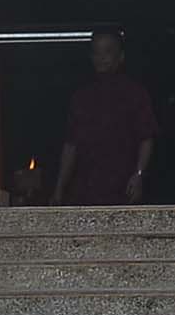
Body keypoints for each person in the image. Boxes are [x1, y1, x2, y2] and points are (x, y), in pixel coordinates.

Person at [52, 27, 156, 206]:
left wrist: (139, 175)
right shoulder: (81, 98)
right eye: (96, 52)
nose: (101, 58)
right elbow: (71, 146)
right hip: (85, 189)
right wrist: (59, 189)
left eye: (108, 52)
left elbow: (146, 137)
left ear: (121, 56)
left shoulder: (135, 94)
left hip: (123, 187)